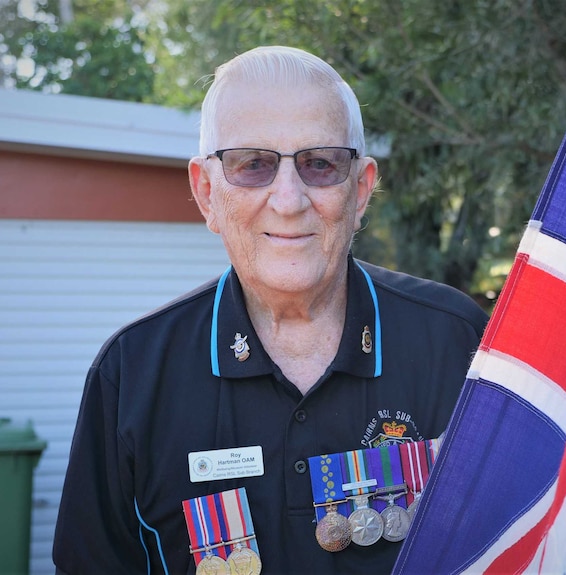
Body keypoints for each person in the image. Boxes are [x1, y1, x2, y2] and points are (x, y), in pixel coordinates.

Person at [52, 45, 488, 574]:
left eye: (320, 164)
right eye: (253, 164)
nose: (288, 200)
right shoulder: (133, 375)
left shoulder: (456, 343)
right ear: (207, 192)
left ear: (362, 190)